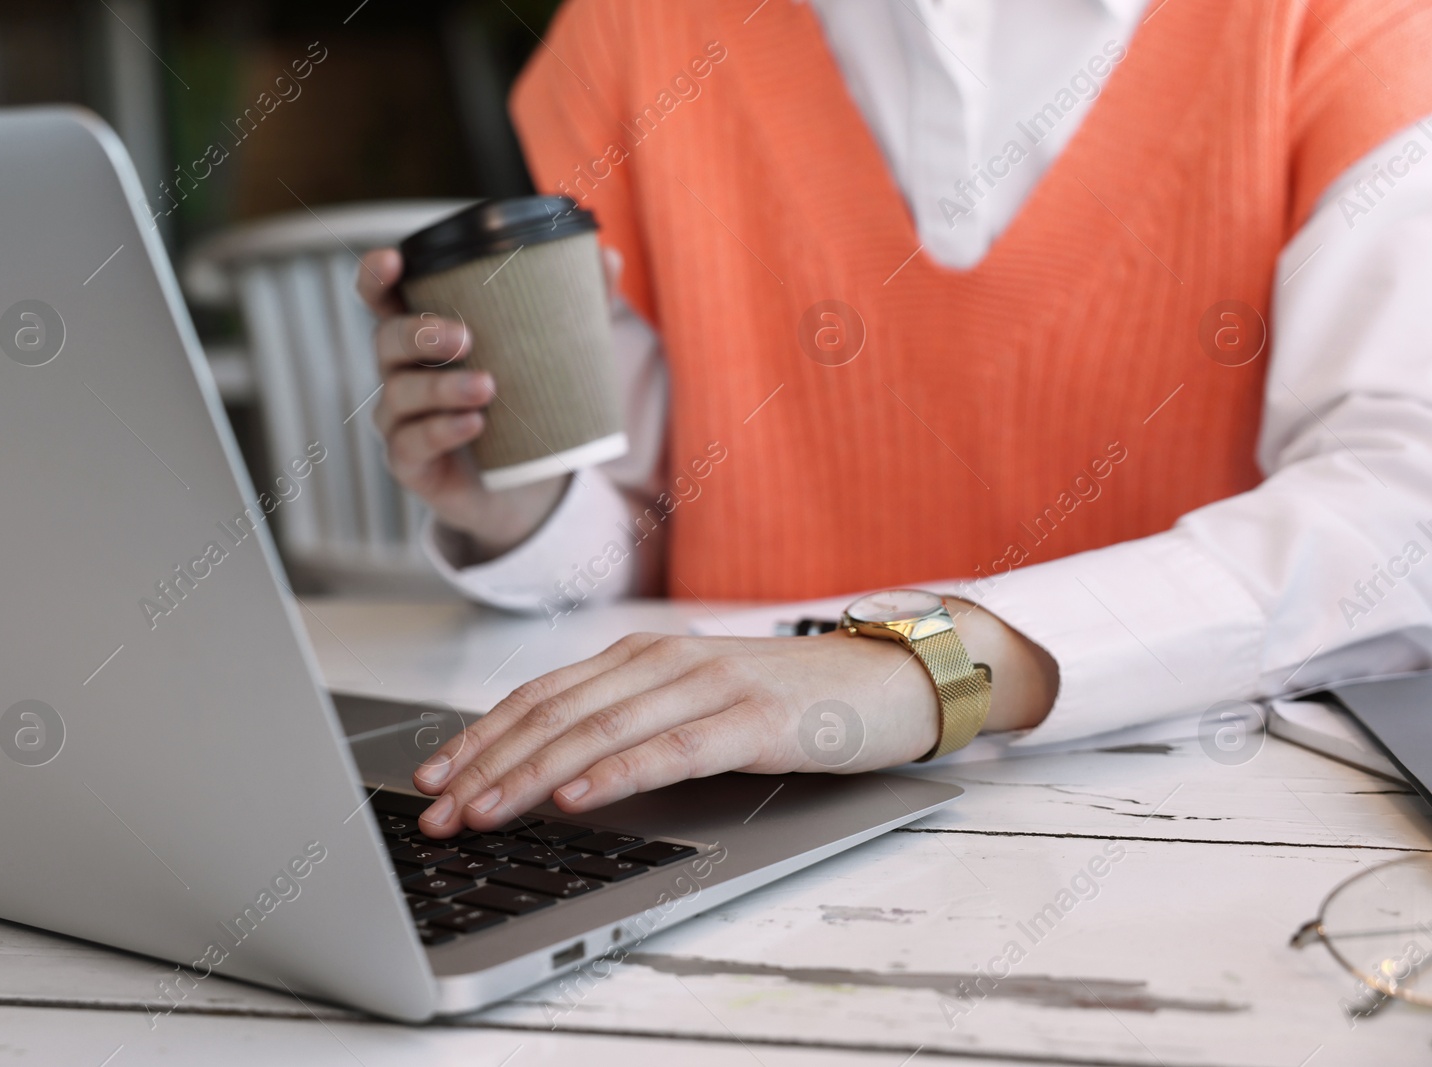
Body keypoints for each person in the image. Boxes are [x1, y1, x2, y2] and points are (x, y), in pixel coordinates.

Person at [355, 0, 1432, 838]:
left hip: (1205, 823)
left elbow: (1400, 512)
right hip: (727, 807)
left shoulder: (1337, 24)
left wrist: (921, 665)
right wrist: (522, 502)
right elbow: (645, 526)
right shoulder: (639, 29)